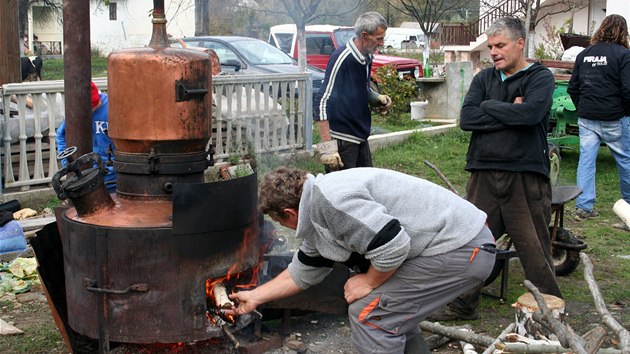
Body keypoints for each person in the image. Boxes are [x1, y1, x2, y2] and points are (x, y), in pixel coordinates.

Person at [225, 166, 496, 353]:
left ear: (288, 212)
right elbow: (303, 271)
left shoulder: (334, 201)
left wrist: (368, 281)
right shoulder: (316, 207)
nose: (283, 228)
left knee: (370, 312)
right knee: (391, 310)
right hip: (456, 247)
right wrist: (256, 296)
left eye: (277, 221)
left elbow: (393, 245)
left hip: (462, 248)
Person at [429, 17, 561, 321]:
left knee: (534, 247)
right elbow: (467, 119)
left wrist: (489, 106)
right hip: (484, 174)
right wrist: (508, 110)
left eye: (500, 45)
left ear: (519, 43)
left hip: (524, 176)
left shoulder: (540, 78)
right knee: (472, 241)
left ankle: (551, 311)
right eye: (491, 47)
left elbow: (530, 115)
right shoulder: (484, 79)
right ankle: (463, 303)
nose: (494, 52)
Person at [567, 14, 630, 226]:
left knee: (586, 161)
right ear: (623, 31)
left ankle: (583, 208)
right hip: (614, 117)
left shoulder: (584, 54)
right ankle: (628, 208)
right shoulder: (624, 55)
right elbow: (628, 89)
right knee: (626, 162)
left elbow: (573, 87)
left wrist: (583, 107)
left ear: (601, 29)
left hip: (587, 117)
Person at [313, 12, 392, 172]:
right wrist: (328, 149)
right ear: (364, 36)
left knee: (365, 187)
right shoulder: (342, 58)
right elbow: (321, 101)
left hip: (360, 138)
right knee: (341, 194)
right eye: (379, 39)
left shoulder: (366, 57)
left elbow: (360, 90)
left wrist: (377, 98)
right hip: (342, 141)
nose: (382, 43)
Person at [56, 82, 116, 191]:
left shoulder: (113, 110)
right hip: (88, 173)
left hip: (113, 174)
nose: (86, 114)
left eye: (90, 109)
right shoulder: (78, 113)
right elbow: (61, 134)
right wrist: (67, 163)